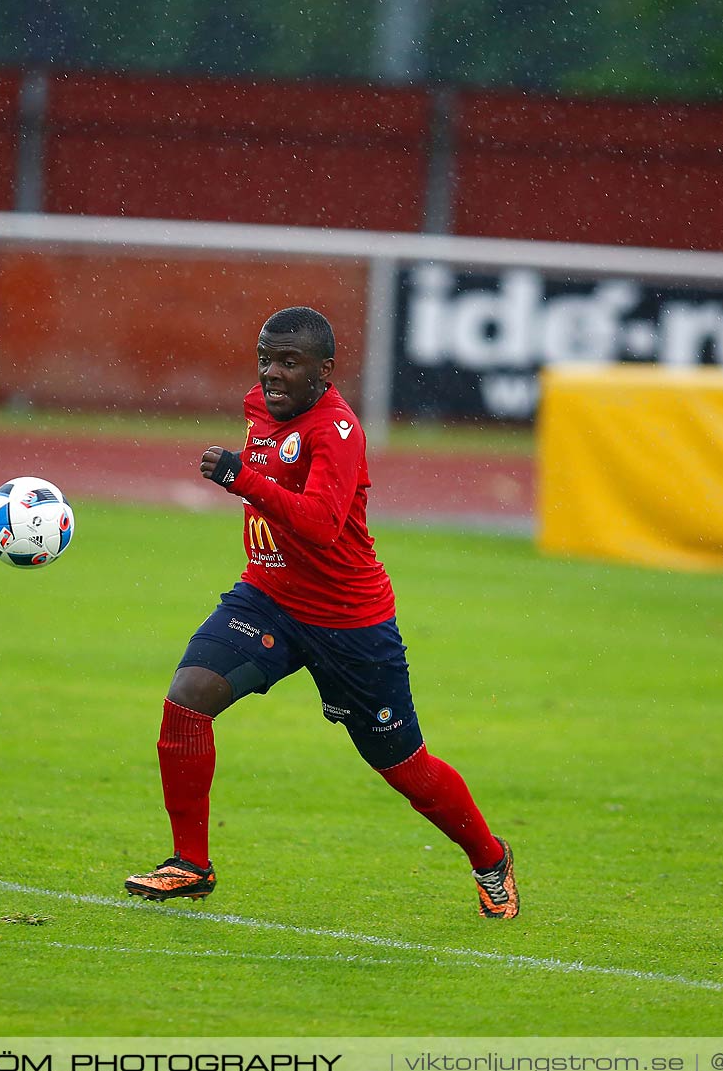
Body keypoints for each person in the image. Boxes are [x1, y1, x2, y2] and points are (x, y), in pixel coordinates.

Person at [122, 306, 519, 918]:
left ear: (325, 371)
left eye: (289, 362)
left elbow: (322, 525)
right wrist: (249, 478)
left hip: (350, 625)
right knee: (187, 698)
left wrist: (240, 478)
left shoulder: (337, 431)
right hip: (270, 599)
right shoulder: (260, 405)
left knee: (402, 766)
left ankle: (490, 857)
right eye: (266, 359)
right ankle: (190, 864)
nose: (273, 373)